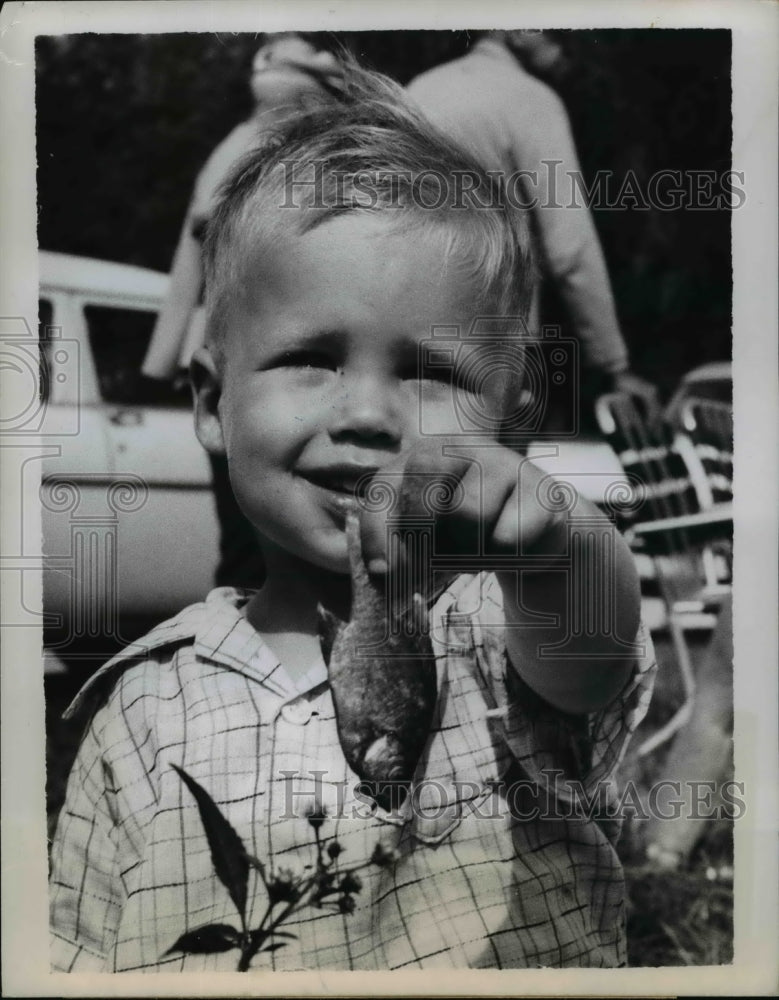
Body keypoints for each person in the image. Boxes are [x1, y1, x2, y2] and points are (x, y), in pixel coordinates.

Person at [49, 65, 656, 972]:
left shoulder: (496, 630)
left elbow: (587, 657)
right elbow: (78, 951)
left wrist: (560, 548)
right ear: (212, 403)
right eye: (312, 358)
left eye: (433, 372)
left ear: (510, 418)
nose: (369, 414)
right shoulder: (140, 708)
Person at [142, 33, 345, 589]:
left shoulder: (236, 145)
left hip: (227, 350)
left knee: (254, 532)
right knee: (257, 538)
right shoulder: (270, 156)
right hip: (247, 351)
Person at [407, 30, 657, 426]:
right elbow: (570, 249)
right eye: (558, 32)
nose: (567, 45)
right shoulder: (530, 99)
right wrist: (614, 364)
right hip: (493, 337)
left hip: (406, 330)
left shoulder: (418, 89)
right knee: (497, 462)